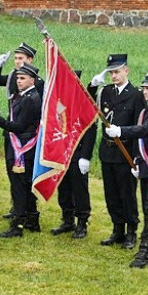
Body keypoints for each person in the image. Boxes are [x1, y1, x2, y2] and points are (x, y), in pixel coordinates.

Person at [104, 71, 148, 268]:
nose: (145, 91)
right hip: (145, 164)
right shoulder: (146, 110)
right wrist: (136, 158)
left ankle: (144, 250)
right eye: (143, 87)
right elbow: (142, 137)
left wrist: (121, 130)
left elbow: (147, 130)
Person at [89, 53, 144, 249]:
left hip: (126, 152)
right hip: (108, 150)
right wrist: (93, 86)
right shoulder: (105, 92)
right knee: (111, 193)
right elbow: (89, 103)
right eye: (111, 72)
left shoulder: (137, 95)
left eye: (117, 72)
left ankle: (131, 232)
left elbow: (139, 127)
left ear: (126, 71)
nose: (114, 76)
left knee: (126, 193)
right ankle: (117, 229)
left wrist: (137, 157)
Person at [0, 41, 44, 219]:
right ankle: (17, 208)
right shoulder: (15, 76)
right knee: (13, 173)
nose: (17, 62)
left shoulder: (37, 83)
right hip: (11, 131)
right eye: (15, 58)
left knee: (24, 176)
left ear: (30, 59)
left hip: (26, 137)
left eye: (20, 58)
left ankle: (27, 211)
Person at [49, 69, 95, 240]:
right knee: (64, 186)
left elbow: (91, 129)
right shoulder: (59, 101)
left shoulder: (84, 102)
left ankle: (82, 221)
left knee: (79, 188)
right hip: (62, 151)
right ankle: (67, 219)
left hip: (78, 151)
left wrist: (86, 156)